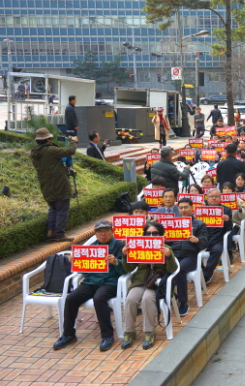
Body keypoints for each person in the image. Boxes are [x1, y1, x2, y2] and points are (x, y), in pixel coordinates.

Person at [53, 220, 125, 352]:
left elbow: (126, 269)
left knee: (99, 299)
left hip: (110, 282)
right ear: (96, 234)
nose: (103, 234)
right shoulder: (91, 247)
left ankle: (107, 335)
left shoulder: (120, 245)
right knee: (71, 298)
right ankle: (68, 334)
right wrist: (76, 262)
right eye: (100, 232)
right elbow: (84, 271)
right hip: (91, 282)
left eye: (106, 231)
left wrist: (116, 262)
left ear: (112, 232)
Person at [121, 221, 177, 350]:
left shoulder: (167, 248)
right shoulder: (138, 247)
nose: (151, 236)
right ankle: (129, 332)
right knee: (130, 299)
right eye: (148, 233)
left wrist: (168, 256)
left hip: (157, 284)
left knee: (147, 299)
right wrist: (125, 255)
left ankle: (149, 332)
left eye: (155, 233)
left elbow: (172, 270)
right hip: (140, 282)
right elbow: (128, 268)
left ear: (161, 235)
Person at [30, 128, 78, 242]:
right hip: (59, 185)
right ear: (47, 139)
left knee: (53, 208)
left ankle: (50, 232)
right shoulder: (51, 150)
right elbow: (70, 151)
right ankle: (60, 234)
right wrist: (74, 141)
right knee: (62, 209)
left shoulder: (35, 152)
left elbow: (50, 165)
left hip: (46, 185)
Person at [168, 198, 208, 316]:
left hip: (191, 256)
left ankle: (183, 302)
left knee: (179, 269)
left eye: (186, 207)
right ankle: (169, 295)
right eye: (181, 208)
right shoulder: (172, 223)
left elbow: (205, 243)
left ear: (192, 208)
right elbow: (167, 242)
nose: (183, 210)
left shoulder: (199, 224)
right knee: (161, 267)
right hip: (173, 255)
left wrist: (197, 240)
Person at [202, 190, 233, 282]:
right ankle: (200, 270)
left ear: (220, 198)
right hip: (204, 238)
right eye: (211, 196)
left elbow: (229, 229)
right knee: (191, 249)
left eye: (216, 196)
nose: (214, 198)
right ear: (207, 199)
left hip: (218, 238)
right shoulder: (202, 209)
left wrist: (227, 220)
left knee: (217, 250)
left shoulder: (226, 210)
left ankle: (206, 275)